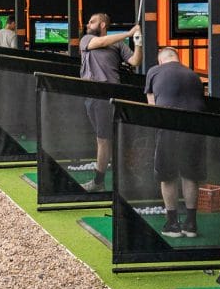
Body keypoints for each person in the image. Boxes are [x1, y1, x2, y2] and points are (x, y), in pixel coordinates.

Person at [145, 46, 207, 238]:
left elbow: (152, 107)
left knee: (167, 175)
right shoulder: (193, 75)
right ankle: (191, 224)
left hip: (168, 126)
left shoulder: (154, 71)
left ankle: (172, 224)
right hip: (195, 128)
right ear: (177, 59)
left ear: (161, 60)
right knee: (190, 175)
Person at [78, 13, 143, 193]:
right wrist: (129, 34)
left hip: (111, 94)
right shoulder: (87, 39)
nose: (88, 24)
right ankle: (110, 180)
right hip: (93, 95)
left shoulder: (118, 44)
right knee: (104, 139)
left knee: (106, 139)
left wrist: (138, 42)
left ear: (103, 23)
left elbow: (136, 61)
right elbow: (99, 43)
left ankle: (100, 182)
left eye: (92, 21)